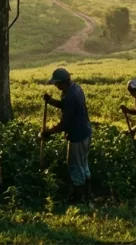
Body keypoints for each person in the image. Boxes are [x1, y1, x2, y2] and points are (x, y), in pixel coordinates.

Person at [42, 67, 92, 201]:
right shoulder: (75, 88)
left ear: (63, 82)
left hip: (77, 135)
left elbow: (65, 124)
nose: (56, 86)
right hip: (85, 131)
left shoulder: (70, 95)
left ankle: (78, 197)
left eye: (57, 83)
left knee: (75, 166)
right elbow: (66, 106)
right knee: (83, 163)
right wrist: (51, 101)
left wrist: (48, 132)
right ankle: (87, 194)